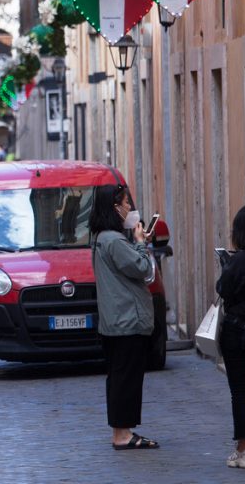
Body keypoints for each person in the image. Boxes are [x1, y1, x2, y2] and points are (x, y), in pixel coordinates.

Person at [90, 183, 158, 450]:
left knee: (119, 376)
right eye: (125, 203)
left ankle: (122, 430)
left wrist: (136, 242)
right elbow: (140, 267)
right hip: (126, 319)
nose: (130, 207)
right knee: (126, 378)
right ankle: (123, 434)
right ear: (114, 207)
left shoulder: (101, 238)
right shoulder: (113, 240)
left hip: (115, 320)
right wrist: (140, 244)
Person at [216, 204, 245, 468]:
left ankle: (244, 450)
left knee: (240, 391)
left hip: (237, 329)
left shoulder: (238, 261)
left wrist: (227, 265)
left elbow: (223, 289)